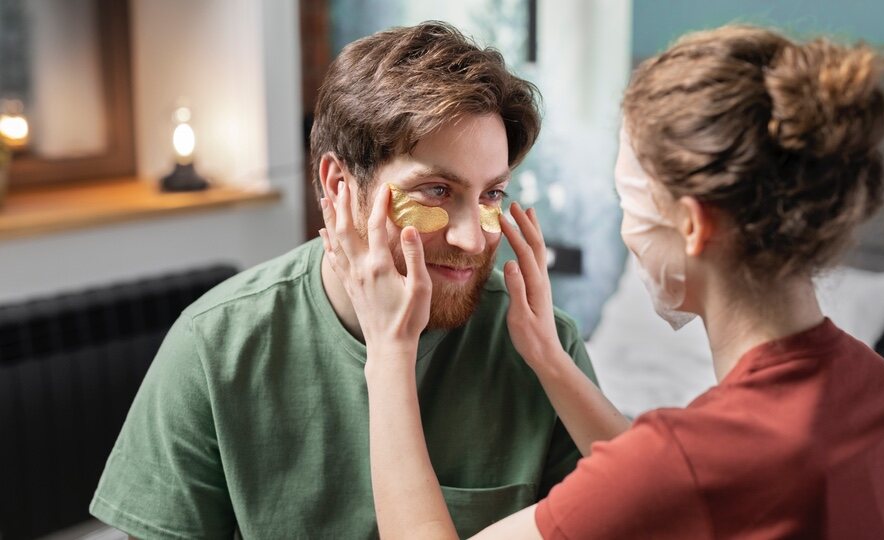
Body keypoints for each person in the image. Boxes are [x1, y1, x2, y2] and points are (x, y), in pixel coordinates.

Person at [322, 24, 884, 538]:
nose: (627, 236)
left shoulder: (688, 463)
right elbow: (667, 478)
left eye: (631, 204)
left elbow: (669, 474)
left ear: (692, 225)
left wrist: (389, 352)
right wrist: (549, 361)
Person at [89, 22, 601, 538]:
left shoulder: (542, 349)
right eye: (437, 191)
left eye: (492, 194)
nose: (473, 239)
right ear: (337, 185)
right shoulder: (212, 348)